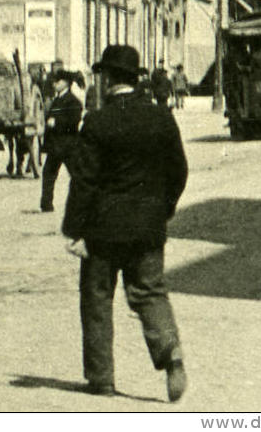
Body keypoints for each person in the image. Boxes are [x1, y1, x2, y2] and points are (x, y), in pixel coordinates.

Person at [62, 44, 188, 402]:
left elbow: (83, 180)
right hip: (148, 227)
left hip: (103, 230)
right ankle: (170, 351)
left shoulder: (98, 122)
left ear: (107, 78)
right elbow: (179, 171)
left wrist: (74, 229)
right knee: (149, 291)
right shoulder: (161, 118)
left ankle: (101, 378)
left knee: (97, 297)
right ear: (135, 79)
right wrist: (162, 209)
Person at [40, 69, 83, 212]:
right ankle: (46, 204)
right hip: (56, 145)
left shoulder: (73, 101)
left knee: (76, 175)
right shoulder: (57, 99)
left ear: (66, 83)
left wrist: (56, 122)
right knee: (48, 173)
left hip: (68, 145)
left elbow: (74, 121)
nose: (54, 84)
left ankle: (83, 204)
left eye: (57, 81)